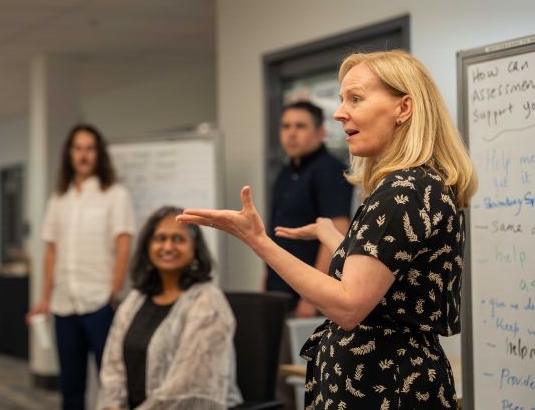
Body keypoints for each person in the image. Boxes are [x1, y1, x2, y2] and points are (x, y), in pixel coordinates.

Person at [178, 50, 476, 408]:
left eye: (356, 98)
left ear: (404, 108)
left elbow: (349, 306)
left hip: (384, 388)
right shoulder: (418, 185)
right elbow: (388, 280)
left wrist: (256, 240)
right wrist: (333, 236)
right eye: (341, 100)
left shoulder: (402, 191)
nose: (339, 113)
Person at [26, 123, 136, 410]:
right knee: (70, 387)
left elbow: (123, 243)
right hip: (64, 305)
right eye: (78, 148)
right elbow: (51, 251)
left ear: (98, 154)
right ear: (69, 154)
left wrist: (114, 290)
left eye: (90, 148)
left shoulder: (114, 194)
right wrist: (44, 299)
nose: (83, 155)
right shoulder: (58, 199)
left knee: (111, 383)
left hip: (100, 302)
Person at [97, 206, 242, 409]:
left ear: (195, 250)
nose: (167, 246)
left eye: (178, 239)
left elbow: (188, 387)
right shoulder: (136, 299)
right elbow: (112, 368)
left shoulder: (207, 301)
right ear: (148, 246)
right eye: (160, 238)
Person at [267, 100, 352, 317]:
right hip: (279, 291)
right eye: (286, 126)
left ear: (320, 132)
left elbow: (337, 230)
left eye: (300, 126)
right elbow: (275, 235)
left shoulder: (329, 170)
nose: (291, 133)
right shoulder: (285, 173)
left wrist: (312, 297)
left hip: (310, 296)